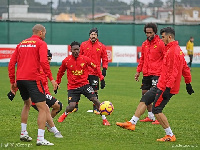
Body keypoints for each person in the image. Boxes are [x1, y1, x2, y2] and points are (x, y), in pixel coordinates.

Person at [116, 27, 194, 142]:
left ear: (169, 37)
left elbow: (174, 72)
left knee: (157, 109)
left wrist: (168, 88)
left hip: (167, 86)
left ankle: (170, 135)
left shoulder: (174, 51)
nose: (161, 39)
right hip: (161, 83)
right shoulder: (171, 49)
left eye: (163, 37)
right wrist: (188, 83)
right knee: (145, 98)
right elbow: (186, 68)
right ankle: (132, 123)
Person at [8, 24, 59, 146]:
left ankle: (23, 132)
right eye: (45, 33)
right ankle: (40, 138)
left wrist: (12, 82)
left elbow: (11, 63)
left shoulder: (21, 43)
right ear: (40, 32)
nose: (45, 35)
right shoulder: (41, 43)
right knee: (43, 107)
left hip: (20, 80)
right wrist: (51, 79)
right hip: (33, 79)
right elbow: (43, 61)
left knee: (27, 104)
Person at [56, 41, 110, 126]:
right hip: (73, 87)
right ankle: (64, 114)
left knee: (95, 100)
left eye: (78, 49)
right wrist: (57, 83)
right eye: (74, 50)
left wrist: (101, 78)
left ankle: (104, 120)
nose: (76, 51)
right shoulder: (66, 61)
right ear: (71, 50)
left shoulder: (85, 59)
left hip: (85, 85)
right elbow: (60, 72)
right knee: (71, 106)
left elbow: (95, 67)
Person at [135, 23, 166, 124]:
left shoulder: (161, 43)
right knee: (145, 94)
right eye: (147, 33)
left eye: (150, 33)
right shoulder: (144, 44)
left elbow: (166, 57)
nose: (148, 35)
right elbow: (142, 59)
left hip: (157, 73)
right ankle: (151, 116)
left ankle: (158, 116)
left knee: (155, 95)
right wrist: (138, 71)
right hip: (146, 73)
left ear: (155, 32)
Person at [74, 28, 108, 114]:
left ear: (97, 36)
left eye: (95, 34)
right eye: (92, 34)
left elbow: (104, 58)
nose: (93, 36)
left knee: (94, 90)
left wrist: (104, 68)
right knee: (78, 88)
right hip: (84, 72)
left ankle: (96, 108)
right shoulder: (83, 45)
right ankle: (75, 107)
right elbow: (79, 57)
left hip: (95, 72)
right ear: (89, 35)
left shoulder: (101, 46)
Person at [31, 50, 63, 137]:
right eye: (47, 59)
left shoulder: (46, 69)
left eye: (50, 59)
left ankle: (48, 123)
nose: (49, 61)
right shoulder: (36, 67)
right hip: (36, 94)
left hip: (45, 93)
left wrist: (54, 84)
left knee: (58, 106)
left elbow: (47, 81)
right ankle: (53, 130)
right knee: (46, 110)